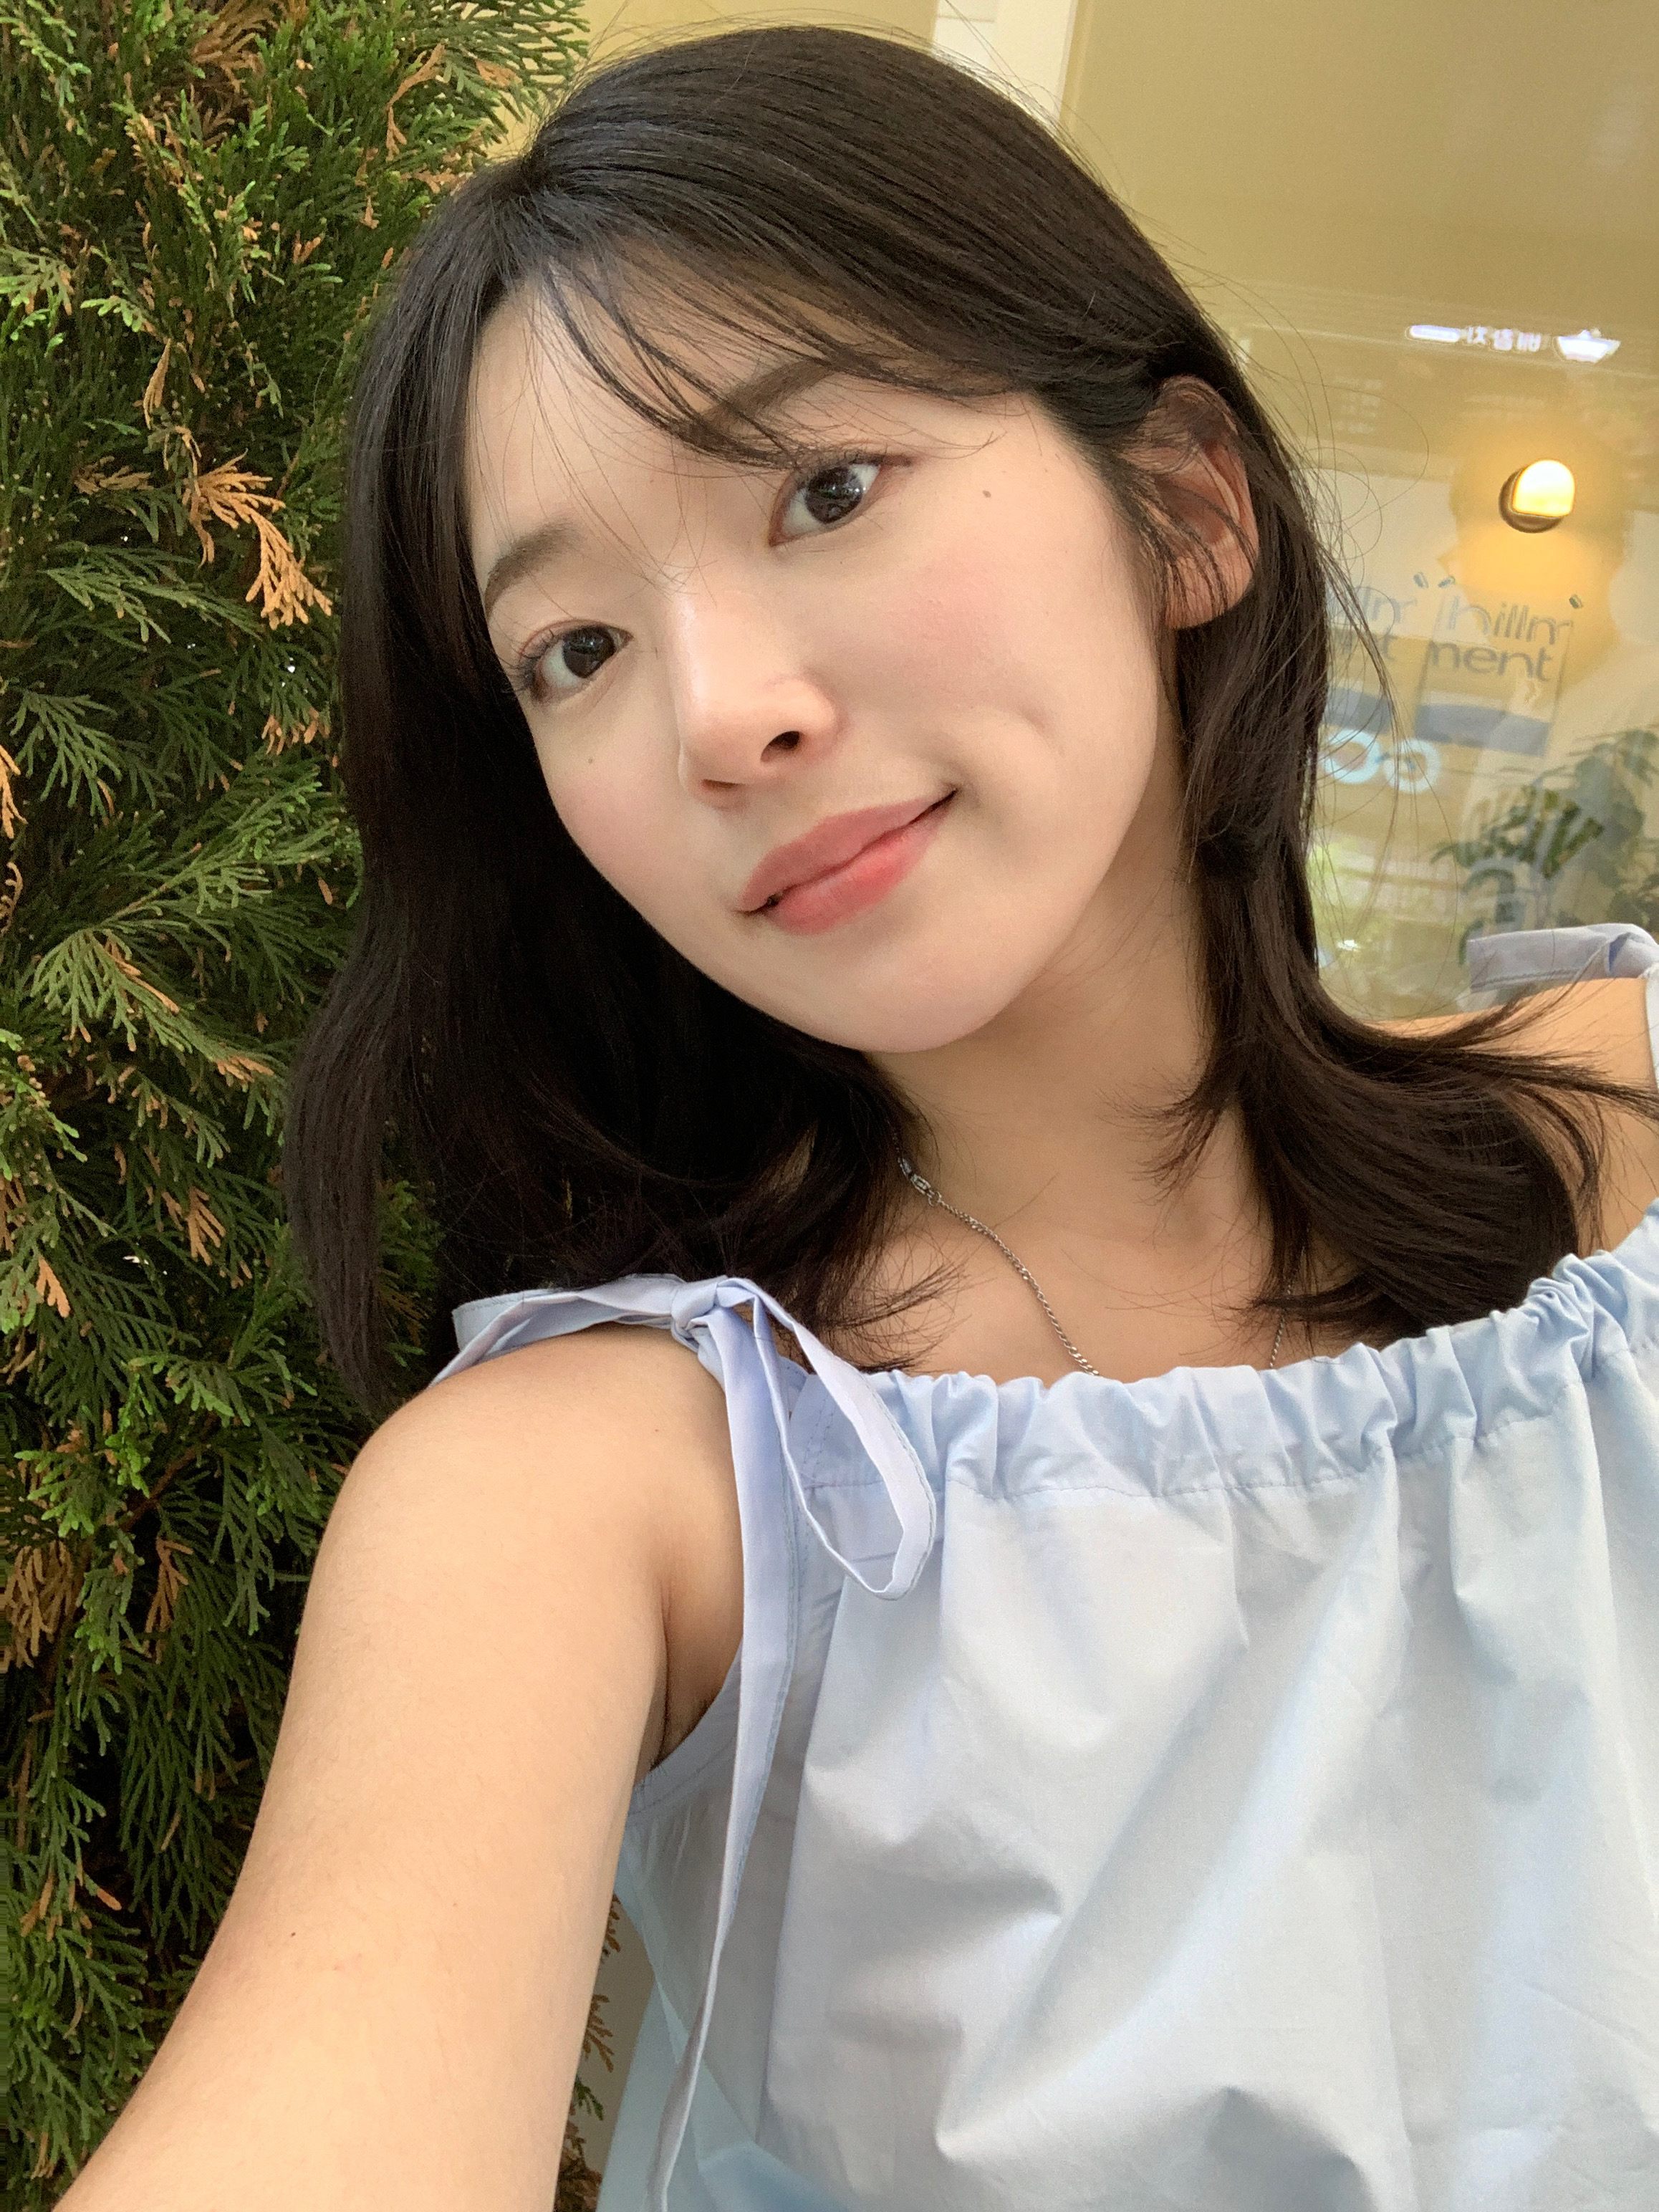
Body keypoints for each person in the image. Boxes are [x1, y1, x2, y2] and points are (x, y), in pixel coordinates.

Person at [61, 27, 1659, 2212]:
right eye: (576, 649)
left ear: (1183, 508)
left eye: (823, 489)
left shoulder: (1617, 1139)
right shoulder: (606, 1490)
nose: (720, 718)